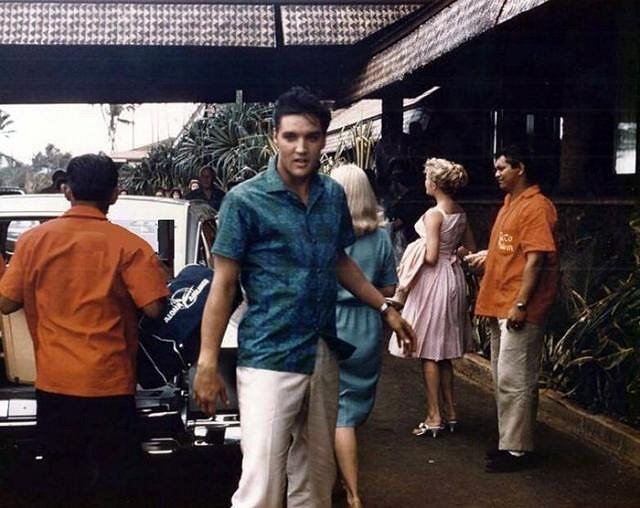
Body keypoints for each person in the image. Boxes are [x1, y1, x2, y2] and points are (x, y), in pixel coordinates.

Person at [193, 87, 416, 508]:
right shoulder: (244, 201)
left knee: (315, 483)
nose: (301, 148)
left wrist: (384, 307)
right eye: (291, 136)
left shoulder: (332, 195)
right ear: (274, 137)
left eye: (311, 137)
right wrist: (207, 361)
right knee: (261, 486)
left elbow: (339, 260)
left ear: (323, 139)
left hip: (322, 352)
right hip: (268, 355)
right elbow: (223, 284)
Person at [0, 154, 169, 503]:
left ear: (67, 191)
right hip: (111, 385)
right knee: (116, 485)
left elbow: (6, 303)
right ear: (115, 194)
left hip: (55, 385)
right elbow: (154, 308)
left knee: (62, 484)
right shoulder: (130, 246)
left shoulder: (32, 242)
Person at [465, 145, 558, 473]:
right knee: (504, 377)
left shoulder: (536, 206)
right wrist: (485, 257)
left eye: (502, 167)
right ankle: (511, 441)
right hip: (500, 303)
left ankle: (517, 450)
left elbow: (535, 260)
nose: (497, 173)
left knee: (515, 379)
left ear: (520, 169)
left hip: (518, 307)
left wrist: (521, 304)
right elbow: (512, 251)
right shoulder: (510, 204)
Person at [389, 158, 475, 438]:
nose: (424, 182)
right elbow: (469, 248)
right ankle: (451, 413)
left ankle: (434, 416)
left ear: (435, 184)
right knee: (444, 351)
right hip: (454, 278)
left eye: (427, 178)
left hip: (435, 280)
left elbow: (431, 256)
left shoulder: (433, 215)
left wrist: (417, 246)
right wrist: (455, 252)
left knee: (428, 350)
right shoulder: (460, 212)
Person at [329, 164, 398, 508]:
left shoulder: (327, 235)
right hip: (368, 325)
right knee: (352, 411)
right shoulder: (382, 237)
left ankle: (352, 493)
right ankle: (342, 480)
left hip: (333, 324)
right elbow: (389, 288)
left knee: (337, 413)